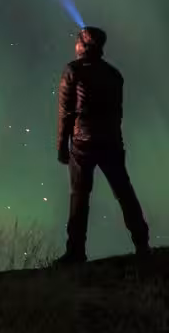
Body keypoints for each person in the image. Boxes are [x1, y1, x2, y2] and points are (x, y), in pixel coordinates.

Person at [54, 25, 150, 264]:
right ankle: (142, 243)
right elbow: (117, 113)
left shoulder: (72, 71)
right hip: (111, 142)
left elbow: (66, 113)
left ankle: (75, 252)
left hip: (83, 144)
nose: (75, 45)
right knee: (124, 192)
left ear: (84, 45)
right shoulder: (114, 74)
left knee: (79, 196)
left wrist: (61, 147)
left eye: (77, 41)